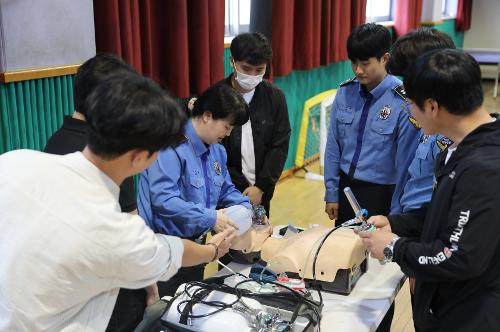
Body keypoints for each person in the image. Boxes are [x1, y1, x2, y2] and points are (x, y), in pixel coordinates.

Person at [0, 73, 236, 331]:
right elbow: (171, 252)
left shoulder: (14, 161)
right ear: (141, 157)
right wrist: (212, 250)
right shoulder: (115, 231)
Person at [358, 49, 500, 331]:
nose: (409, 112)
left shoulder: (483, 168)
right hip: (445, 304)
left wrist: (393, 247)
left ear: (433, 107)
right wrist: (397, 222)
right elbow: (448, 212)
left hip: (468, 314)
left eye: (411, 104)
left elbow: (458, 256)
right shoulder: (459, 147)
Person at [44, 53, 150, 332]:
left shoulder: (54, 142)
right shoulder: (109, 150)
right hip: (111, 292)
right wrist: (152, 292)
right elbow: (131, 229)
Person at [137, 84, 252, 297]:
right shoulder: (170, 146)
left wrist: (248, 208)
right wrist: (210, 217)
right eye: (227, 127)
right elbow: (163, 199)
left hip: (197, 251)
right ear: (207, 116)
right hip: (164, 250)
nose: (228, 134)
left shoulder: (217, 151)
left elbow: (226, 190)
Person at [324, 23, 420, 225]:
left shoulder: (403, 102)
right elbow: (333, 145)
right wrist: (332, 191)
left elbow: (405, 165)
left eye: (365, 63)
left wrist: (396, 213)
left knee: (374, 255)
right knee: (341, 251)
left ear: (385, 59)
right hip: (346, 189)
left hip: (381, 193)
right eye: (353, 62)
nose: (358, 70)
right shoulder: (345, 92)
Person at [219, 32, 291, 216]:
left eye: (259, 70)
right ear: (232, 61)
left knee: (259, 240)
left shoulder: (275, 97)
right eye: (246, 68)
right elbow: (216, 154)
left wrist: (261, 187)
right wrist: (240, 189)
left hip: (261, 193)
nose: (252, 75)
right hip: (226, 192)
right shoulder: (217, 98)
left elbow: (279, 145)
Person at [387, 28, 455, 214]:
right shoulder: (427, 123)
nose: (406, 96)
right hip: (409, 219)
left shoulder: (454, 138)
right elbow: (408, 172)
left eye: (410, 82)